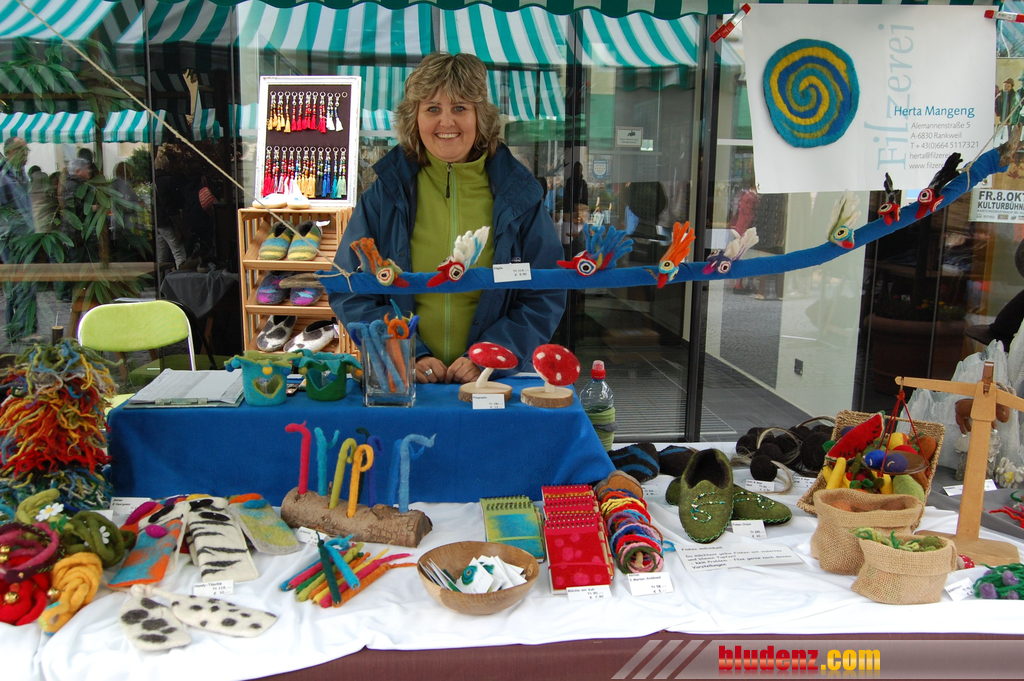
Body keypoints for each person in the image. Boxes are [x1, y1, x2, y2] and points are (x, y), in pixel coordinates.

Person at [330, 52, 566, 384]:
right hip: (406, 379)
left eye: (459, 108)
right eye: (432, 109)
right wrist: (404, 350)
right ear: (414, 118)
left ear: (480, 116)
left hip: (490, 382)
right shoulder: (385, 195)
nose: (446, 122)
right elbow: (349, 288)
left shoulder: (518, 195)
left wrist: (490, 355)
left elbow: (545, 293)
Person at [0, 136, 38, 341]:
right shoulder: (3, 177)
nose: (26, 154)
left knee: (25, 283)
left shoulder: (21, 174)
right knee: (19, 283)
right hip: (11, 239)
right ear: (9, 153)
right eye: (21, 150)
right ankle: (22, 331)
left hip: (25, 238)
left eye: (26, 149)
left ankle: (20, 330)